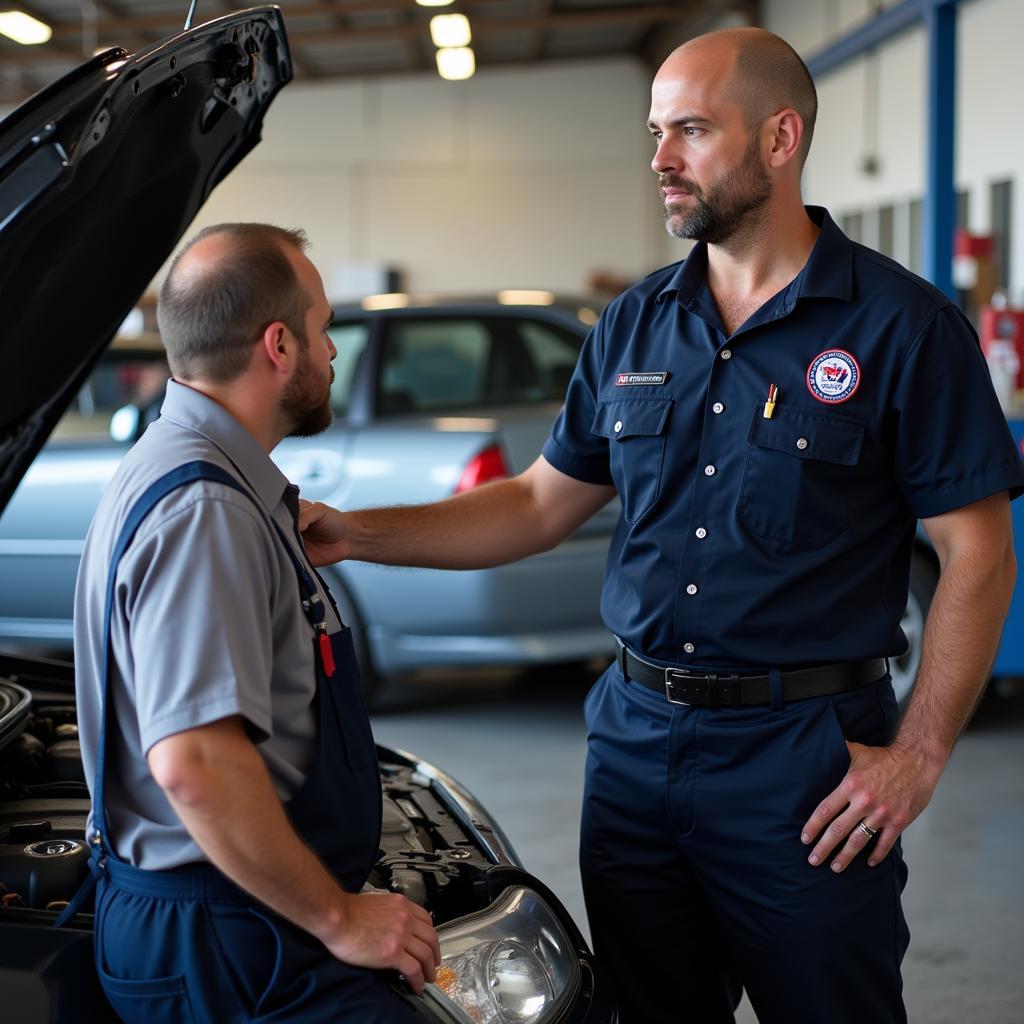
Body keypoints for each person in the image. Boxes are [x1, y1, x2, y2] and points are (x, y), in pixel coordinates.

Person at [298, 26, 1024, 1024]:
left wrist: (918, 754)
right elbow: (536, 502)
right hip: (635, 748)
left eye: (689, 129)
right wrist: (355, 532)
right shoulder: (636, 324)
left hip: (801, 765)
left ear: (780, 137)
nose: (660, 159)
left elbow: (976, 552)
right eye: (654, 131)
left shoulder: (899, 327)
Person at [69, 223, 439, 1023]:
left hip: (235, 916)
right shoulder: (206, 509)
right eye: (324, 331)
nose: (332, 354)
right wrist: (339, 919)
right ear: (279, 346)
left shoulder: (184, 471)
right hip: (225, 937)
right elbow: (195, 763)